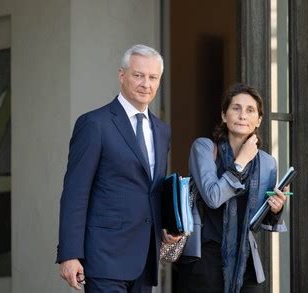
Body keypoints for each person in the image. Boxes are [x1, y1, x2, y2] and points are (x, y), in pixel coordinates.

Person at [56, 44, 180, 292]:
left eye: (153, 77)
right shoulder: (94, 124)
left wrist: (167, 225)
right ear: (122, 75)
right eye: (138, 75)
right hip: (104, 257)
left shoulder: (162, 131)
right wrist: (69, 254)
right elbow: (75, 193)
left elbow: (152, 189)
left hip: (145, 258)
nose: (146, 83)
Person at [177, 83, 289, 293]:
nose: (242, 115)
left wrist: (276, 208)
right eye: (235, 108)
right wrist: (241, 163)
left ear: (259, 120)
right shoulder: (204, 148)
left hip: (244, 263)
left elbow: (260, 220)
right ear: (224, 115)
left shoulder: (267, 163)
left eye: (250, 110)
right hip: (205, 261)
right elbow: (212, 196)